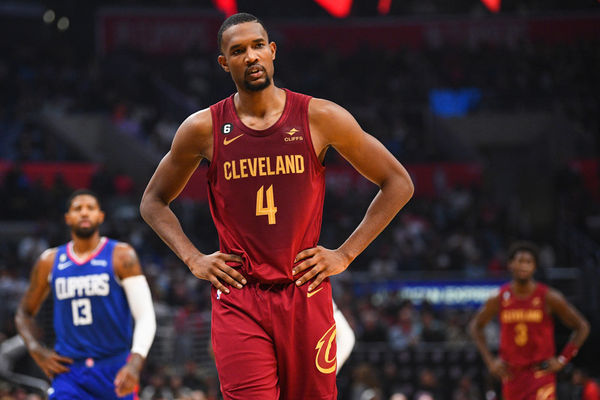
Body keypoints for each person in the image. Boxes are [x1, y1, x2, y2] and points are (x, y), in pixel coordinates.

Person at [140, 12, 413, 400]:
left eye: (256, 46)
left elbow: (398, 183)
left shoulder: (320, 116)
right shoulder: (203, 128)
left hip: (305, 290)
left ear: (272, 51)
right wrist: (193, 259)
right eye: (238, 51)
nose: (250, 56)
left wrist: (346, 254)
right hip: (240, 295)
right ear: (224, 63)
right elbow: (153, 201)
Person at [15, 189, 156, 399]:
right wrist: (36, 349)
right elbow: (23, 313)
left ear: (100, 216)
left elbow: (145, 316)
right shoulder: (49, 261)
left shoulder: (121, 255)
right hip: (69, 371)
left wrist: (135, 363)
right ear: (67, 218)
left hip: (115, 368)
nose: (84, 213)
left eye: (90, 208)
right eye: (77, 209)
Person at [469, 241, 590, 400]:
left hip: (540, 373)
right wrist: (490, 362)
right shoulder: (499, 297)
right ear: (511, 264)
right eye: (520, 261)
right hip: (512, 375)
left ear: (535, 267)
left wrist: (562, 359)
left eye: (528, 262)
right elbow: (475, 327)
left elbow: (582, 327)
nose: (524, 265)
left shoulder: (548, 297)